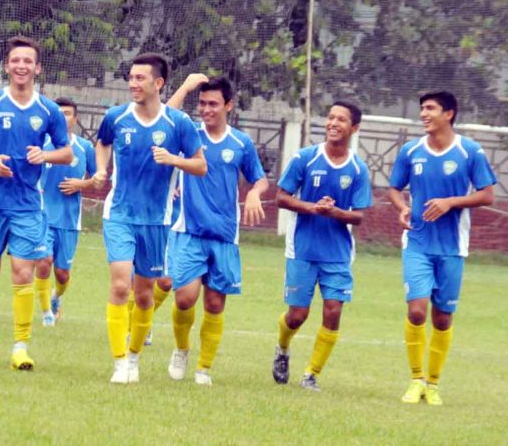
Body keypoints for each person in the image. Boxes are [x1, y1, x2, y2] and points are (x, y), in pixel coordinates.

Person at [0, 36, 72, 370]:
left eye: (28, 61)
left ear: (38, 68)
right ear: (7, 66)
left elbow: (66, 152)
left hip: (28, 205)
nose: (21, 66)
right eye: (15, 60)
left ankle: (20, 347)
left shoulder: (49, 110)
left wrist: (44, 154)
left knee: (22, 272)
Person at [94, 53, 207, 384]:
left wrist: (174, 159)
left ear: (158, 83)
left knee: (144, 294)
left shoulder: (179, 124)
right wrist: (101, 168)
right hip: (119, 214)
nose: (132, 83)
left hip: (157, 220)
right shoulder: (117, 117)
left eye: (140, 78)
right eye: (130, 77)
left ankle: (133, 357)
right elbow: (102, 144)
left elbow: (200, 165)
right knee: (119, 284)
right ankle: (118, 364)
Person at [387, 91, 496, 406]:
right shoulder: (411, 151)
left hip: (452, 247)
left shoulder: (469, 151)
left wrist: (451, 202)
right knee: (417, 310)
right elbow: (394, 188)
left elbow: (487, 195)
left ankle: (433, 384)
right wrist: (402, 207)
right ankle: (415, 379)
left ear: (448, 114)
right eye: (421, 108)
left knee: (443, 318)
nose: (423, 114)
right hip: (418, 242)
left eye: (430, 108)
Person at [164, 75, 268, 385]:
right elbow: (165, 117)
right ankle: (181, 349)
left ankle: (203, 369)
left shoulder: (240, 143)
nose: (206, 109)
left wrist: (253, 193)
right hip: (189, 230)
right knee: (184, 298)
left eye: (213, 104)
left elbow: (259, 178)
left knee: (214, 303)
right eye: (203, 103)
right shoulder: (188, 135)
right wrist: (185, 87)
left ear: (229, 106)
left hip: (224, 234)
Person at [271, 101, 372, 392]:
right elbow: (281, 197)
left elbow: (359, 215)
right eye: (330, 117)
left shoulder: (358, 169)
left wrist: (336, 212)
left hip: (337, 254)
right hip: (302, 249)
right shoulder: (305, 158)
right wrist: (312, 208)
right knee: (297, 315)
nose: (333, 123)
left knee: (333, 311)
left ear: (354, 128)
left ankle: (311, 374)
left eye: (341, 119)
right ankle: (282, 348)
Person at [33, 97, 96, 326]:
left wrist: (82, 184)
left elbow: (98, 179)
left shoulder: (85, 147)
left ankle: (56, 298)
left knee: (62, 274)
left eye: (67, 113)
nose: (63, 117)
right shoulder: (41, 145)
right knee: (43, 261)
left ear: (75, 119)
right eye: (58, 113)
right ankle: (46, 312)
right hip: (42, 216)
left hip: (69, 220)